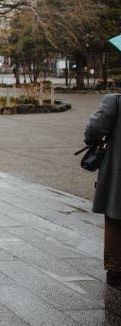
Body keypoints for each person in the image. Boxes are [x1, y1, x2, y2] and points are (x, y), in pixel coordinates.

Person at [84, 93, 121, 286]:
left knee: (116, 217)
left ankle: (115, 269)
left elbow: (94, 129)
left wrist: (93, 141)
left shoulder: (115, 101)